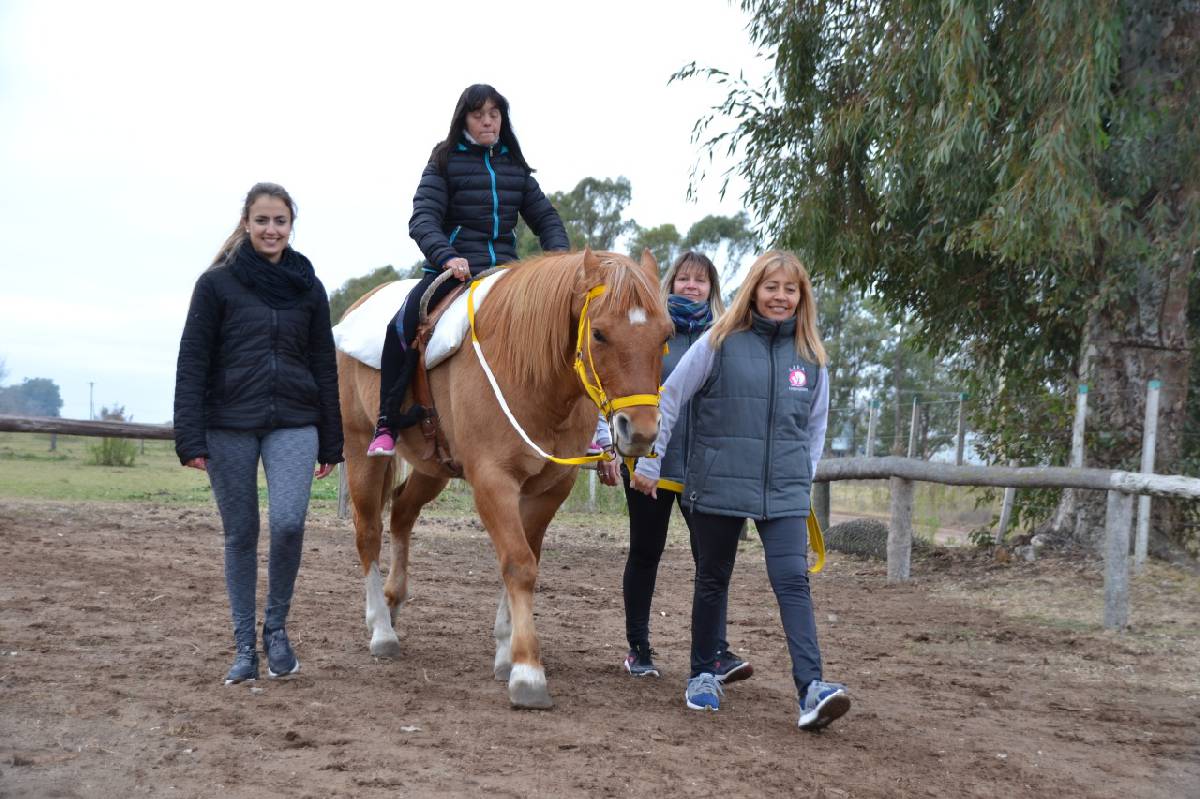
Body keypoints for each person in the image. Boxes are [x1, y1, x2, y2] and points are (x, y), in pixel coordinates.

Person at [631, 250, 850, 731]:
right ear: (754, 289)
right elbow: (670, 397)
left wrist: (802, 477)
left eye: (790, 289)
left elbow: (815, 428)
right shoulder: (719, 340)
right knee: (713, 577)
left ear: (801, 297)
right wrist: (650, 457)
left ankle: (812, 688)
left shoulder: (812, 357)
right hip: (719, 481)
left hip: (784, 492)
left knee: (794, 582)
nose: (780, 297)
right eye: (771, 287)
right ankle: (702, 674)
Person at [174, 182, 344, 685]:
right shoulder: (216, 285)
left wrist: (331, 438)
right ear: (246, 223)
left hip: (295, 420)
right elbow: (193, 362)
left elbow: (323, 365)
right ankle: (245, 646)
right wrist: (190, 435)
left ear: (292, 227)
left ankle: (277, 630)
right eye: (263, 220)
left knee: (289, 523)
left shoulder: (308, 287)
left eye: (281, 221)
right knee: (242, 532)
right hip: (227, 423)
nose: (272, 230)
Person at [367, 83, 569, 456]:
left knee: (566, 326)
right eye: (479, 115)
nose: (488, 122)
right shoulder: (444, 160)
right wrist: (447, 255)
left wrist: (559, 260)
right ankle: (386, 422)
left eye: (495, 114)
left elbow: (546, 218)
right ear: (464, 118)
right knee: (401, 325)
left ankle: (584, 428)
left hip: (506, 272)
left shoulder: (515, 166)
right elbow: (422, 218)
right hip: (452, 271)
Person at [615, 252, 751, 684]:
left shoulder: (725, 337)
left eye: (701, 280)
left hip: (705, 469)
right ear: (671, 284)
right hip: (652, 463)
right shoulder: (654, 334)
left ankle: (716, 651)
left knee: (712, 563)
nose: (692, 286)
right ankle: (638, 648)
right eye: (684, 279)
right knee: (646, 552)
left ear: (712, 288)